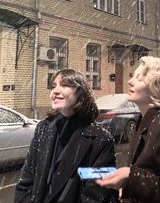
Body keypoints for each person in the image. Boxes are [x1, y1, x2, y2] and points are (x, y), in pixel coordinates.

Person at [97, 56, 160, 203]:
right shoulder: (147, 119)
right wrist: (127, 186)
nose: (130, 81)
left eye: (139, 78)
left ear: (158, 90)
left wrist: (131, 177)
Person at [14, 69, 119, 203]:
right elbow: (26, 183)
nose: (56, 91)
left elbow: (97, 195)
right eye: (53, 86)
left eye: (64, 85)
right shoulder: (44, 129)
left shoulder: (100, 139)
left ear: (81, 94)